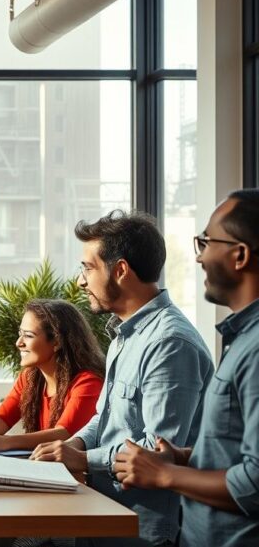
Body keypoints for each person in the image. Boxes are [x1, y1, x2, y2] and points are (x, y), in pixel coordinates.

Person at [31, 210, 213, 547]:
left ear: (121, 270)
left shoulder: (169, 343)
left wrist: (84, 460)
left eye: (87, 268)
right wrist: (75, 444)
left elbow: (158, 449)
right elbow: (105, 418)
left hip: (145, 529)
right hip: (106, 511)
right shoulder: (123, 336)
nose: (80, 281)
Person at [114, 189, 259, 547]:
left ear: (239, 255)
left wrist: (167, 474)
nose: (199, 257)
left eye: (206, 242)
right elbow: (237, 450)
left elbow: (255, 483)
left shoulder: (255, 348)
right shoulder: (241, 338)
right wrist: (184, 457)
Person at [0, 299, 104, 452]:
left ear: (56, 342)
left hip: (74, 474)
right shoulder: (30, 377)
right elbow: (2, 417)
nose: (19, 343)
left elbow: (65, 434)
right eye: (20, 334)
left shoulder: (88, 382)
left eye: (28, 336)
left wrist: (5, 441)